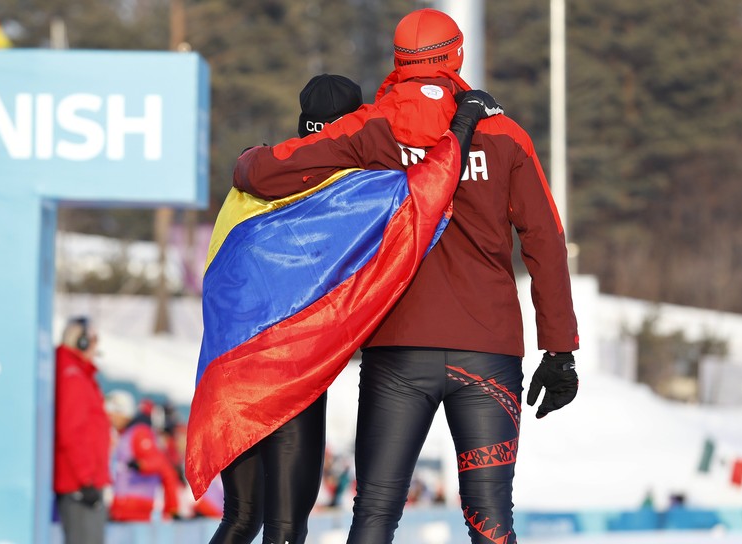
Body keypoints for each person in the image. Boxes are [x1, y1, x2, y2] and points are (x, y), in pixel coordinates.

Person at [232, 9, 579, 544]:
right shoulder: (505, 135)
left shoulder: (370, 129)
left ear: (398, 62)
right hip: (486, 350)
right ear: (457, 56)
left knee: (375, 512)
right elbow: (546, 243)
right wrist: (559, 350)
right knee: (490, 518)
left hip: (397, 347)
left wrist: (249, 159)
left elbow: (264, 172)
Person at [206, 74, 362, 544]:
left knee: (239, 518)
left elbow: (220, 276)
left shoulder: (249, 180)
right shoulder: (351, 190)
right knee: (287, 526)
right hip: (292, 369)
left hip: (232, 371)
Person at [53, 316, 111, 544]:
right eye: (93, 339)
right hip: (79, 485)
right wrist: (86, 480)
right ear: (81, 341)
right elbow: (71, 431)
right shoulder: (73, 376)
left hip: (86, 481)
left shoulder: (79, 374)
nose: (96, 345)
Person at [107, 395, 182, 522]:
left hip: (136, 505)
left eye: (114, 413)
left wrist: (140, 465)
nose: (111, 417)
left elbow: (159, 463)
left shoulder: (139, 432)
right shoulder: (125, 435)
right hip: (123, 505)